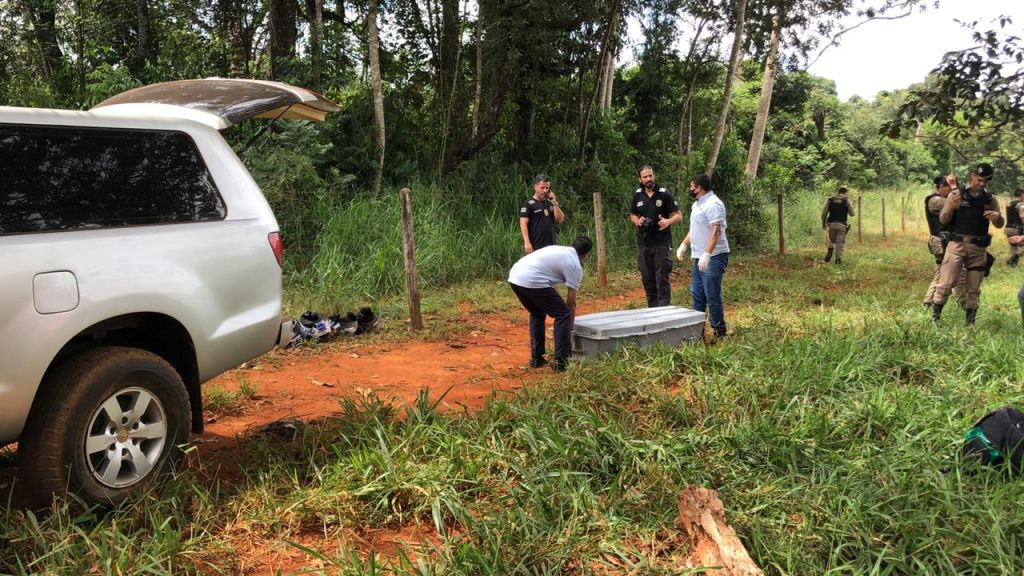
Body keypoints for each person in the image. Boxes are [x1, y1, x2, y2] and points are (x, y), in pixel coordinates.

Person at [931, 163, 1003, 325]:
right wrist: (950, 207)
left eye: (986, 181)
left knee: (974, 287)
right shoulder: (956, 194)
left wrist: (997, 217)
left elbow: (1000, 224)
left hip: (978, 248)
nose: (982, 184)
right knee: (946, 283)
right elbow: (943, 219)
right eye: (979, 180)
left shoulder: (990, 199)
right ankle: (935, 318)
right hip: (956, 245)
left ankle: (970, 323)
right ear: (972, 176)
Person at [508, 236, 592, 372]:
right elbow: (571, 302)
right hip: (531, 280)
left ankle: (537, 358)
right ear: (586, 254)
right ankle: (561, 361)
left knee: (537, 313)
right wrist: (569, 327)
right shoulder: (575, 265)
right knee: (563, 314)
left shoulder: (560, 249)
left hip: (515, 277)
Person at [675, 173, 730, 338]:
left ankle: (719, 331)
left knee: (711, 293)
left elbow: (716, 230)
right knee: (697, 293)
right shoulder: (697, 204)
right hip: (698, 256)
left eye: (692, 186)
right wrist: (684, 245)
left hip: (714, 256)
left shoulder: (714, 204)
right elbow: (695, 229)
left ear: (699, 187)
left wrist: (707, 254)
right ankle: (697, 331)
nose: (690, 189)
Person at [629, 165, 682, 307]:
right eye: (645, 177)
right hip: (644, 244)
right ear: (640, 179)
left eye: (650, 176)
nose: (648, 179)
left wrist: (668, 221)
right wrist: (637, 221)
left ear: (654, 176)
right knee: (647, 279)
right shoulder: (638, 195)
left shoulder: (664, 194)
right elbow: (632, 214)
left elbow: (678, 216)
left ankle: (664, 312)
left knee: (662, 279)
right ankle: (652, 311)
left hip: (661, 244)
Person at [922, 176, 966, 309]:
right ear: (941, 187)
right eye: (949, 186)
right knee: (943, 273)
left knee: (942, 273)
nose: (952, 189)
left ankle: (929, 303)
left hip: (945, 240)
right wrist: (957, 191)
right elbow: (959, 205)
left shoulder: (942, 199)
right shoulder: (935, 200)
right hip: (940, 241)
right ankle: (929, 303)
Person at [519, 174, 564, 254]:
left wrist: (554, 203)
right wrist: (527, 242)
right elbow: (523, 224)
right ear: (535, 187)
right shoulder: (528, 204)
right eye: (542, 188)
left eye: (547, 188)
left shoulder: (550, 203)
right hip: (535, 246)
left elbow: (560, 220)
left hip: (551, 246)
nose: (545, 190)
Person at [821, 186, 854, 264]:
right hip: (842, 225)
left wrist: (823, 224)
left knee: (831, 241)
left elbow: (824, 214)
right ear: (845, 193)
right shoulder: (846, 200)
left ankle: (828, 256)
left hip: (831, 224)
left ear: (838, 192)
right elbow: (852, 214)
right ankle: (838, 260)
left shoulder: (830, 200)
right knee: (840, 243)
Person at [1004, 189, 1024, 266]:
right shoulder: (1021, 205)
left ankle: (1012, 264)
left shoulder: (1009, 204)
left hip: (1008, 228)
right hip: (1017, 229)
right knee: (1021, 246)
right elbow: (1022, 218)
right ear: (1022, 195)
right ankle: (1013, 258)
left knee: (1014, 246)